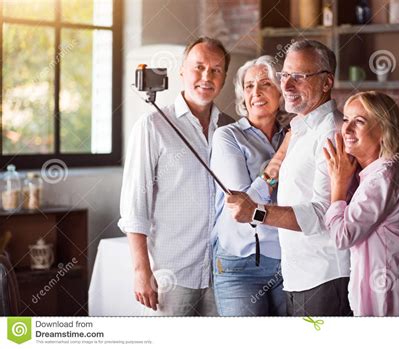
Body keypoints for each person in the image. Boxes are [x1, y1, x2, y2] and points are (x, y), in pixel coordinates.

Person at [225, 40, 351, 316]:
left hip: (325, 276)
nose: (288, 85)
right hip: (298, 276)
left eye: (299, 77)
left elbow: (322, 214)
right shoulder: (299, 129)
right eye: (284, 76)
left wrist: (256, 212)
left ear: (326, 82)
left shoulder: (332, 133)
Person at [118, 37, 233, 316]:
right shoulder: (153, 126)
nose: (207, 76)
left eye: (216, 70)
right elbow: (135, 207)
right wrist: (141, 271)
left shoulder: (230, 129)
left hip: (223, 274)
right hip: (174, 275)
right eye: (199, 67)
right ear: (181, 71)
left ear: (225, 78)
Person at [323, 91, 399, 316]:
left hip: (390, 301)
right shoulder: (373, 175)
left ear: (384, 131)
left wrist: (338, 185)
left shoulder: (385, 175)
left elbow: (342, 236)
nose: (347, 129)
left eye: (359, 122)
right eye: (346, 120)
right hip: (379, 297)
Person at [211, 55, 291, 316]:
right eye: (248, 86)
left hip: (287, 260)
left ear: (280, 90)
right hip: (239, 266)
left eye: (265, 84)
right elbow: (243, 206)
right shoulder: (229, 136)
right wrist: (282, 154)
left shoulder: (292, 133)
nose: (256, 92)